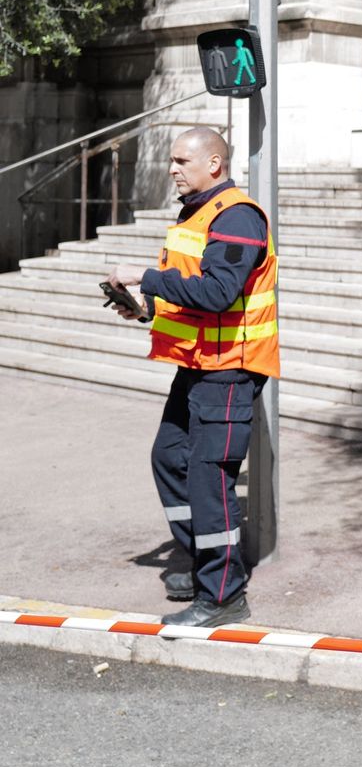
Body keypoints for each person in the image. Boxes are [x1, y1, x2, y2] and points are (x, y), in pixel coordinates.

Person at [103, 127, 279, 629]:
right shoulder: (199, 214)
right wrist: (145, 309)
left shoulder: (238, 216)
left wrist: (145, 276)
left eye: (182, 160)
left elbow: (220, 291)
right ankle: (206, 565)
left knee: (209, 478)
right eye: (173, 161)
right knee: (170, 458)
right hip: (201, 363)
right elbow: (192, 290)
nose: (173, 169)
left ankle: (224, 595)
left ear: (215, 165)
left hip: (229, 369)